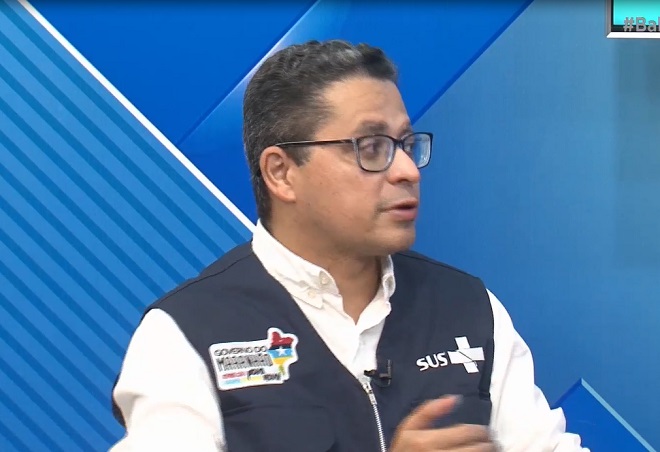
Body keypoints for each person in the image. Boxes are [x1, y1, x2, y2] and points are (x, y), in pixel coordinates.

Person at [110, 39, 588, 451]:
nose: (407, 170)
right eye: (371, 147)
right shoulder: (186, 332)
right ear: (281, 173)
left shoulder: (468, 308)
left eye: (406, 144)